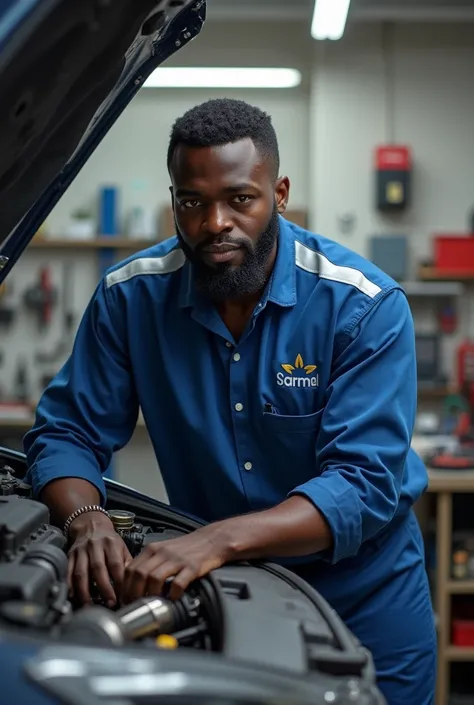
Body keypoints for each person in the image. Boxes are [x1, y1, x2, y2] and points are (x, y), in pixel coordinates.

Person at [24, 98, 436, 704]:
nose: (215, 222)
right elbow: (66, 435)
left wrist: (213, 540)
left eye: (240, 198)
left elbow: (363, 484)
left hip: (364, 603)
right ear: (175, 203)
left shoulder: (362, 305)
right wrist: (86, 522)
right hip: (224, 599)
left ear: (280, 193)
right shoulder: (131, 299)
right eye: (192, 202)